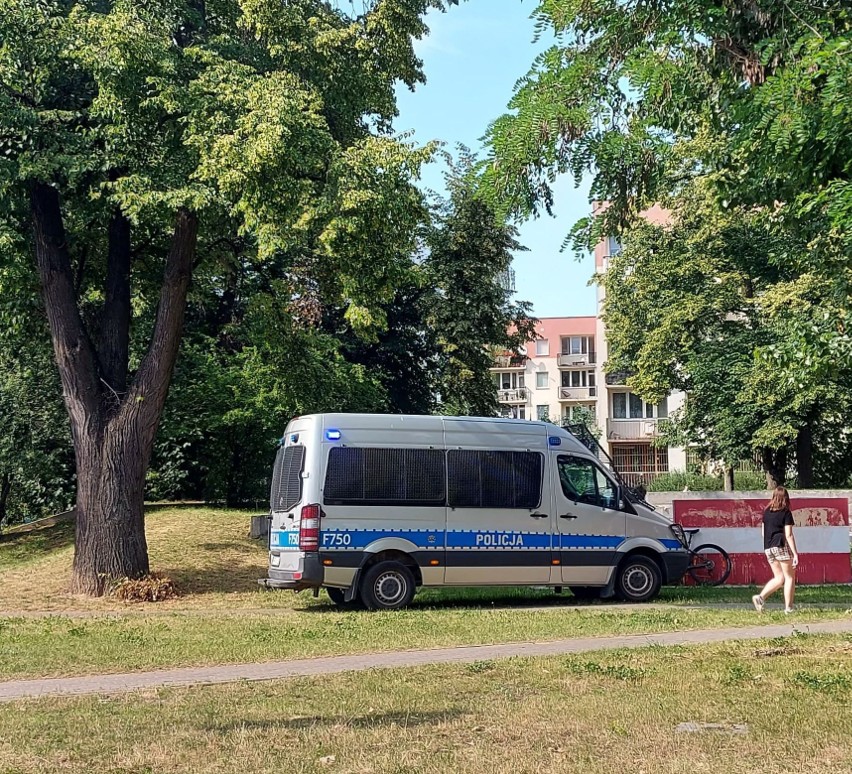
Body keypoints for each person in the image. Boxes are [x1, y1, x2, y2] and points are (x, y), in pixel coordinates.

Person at [752, 486, 799, 614]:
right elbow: (788, 534)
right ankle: (788, 608)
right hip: (780, 545)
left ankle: (760, 598)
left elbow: (763, 532)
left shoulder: (767, 511)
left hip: (768, 547)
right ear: (786, 499)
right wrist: (795, 554)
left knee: (779, 578)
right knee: (789, 577)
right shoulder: (786, 512)